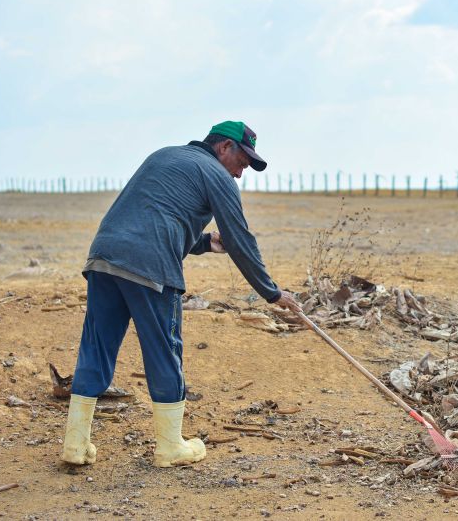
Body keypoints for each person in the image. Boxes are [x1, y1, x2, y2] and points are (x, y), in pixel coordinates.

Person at [61, 121, 300, 468]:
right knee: (164, 351)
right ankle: (170, 446)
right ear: (223, 148)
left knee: (96, 347)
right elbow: (240, 239)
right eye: (242, 162)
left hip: (103, 258)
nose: (240, 174)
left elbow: (154, 216)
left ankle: (75, 444)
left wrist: (204, 243)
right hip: (152, 269)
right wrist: (272, 293)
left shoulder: (164, 156)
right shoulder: (217, 175)